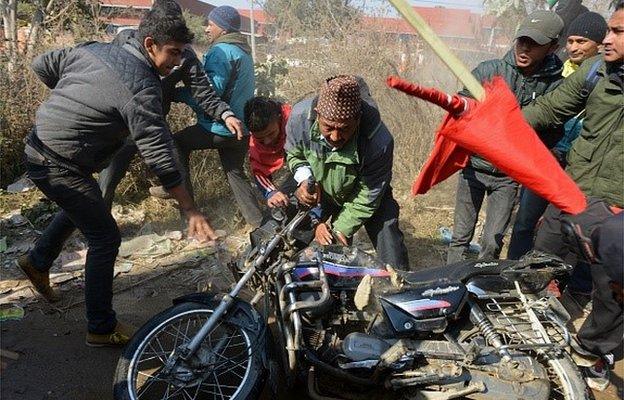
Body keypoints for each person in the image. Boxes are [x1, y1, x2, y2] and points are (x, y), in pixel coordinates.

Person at [17, 9, 217, 347]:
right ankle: (100, 327)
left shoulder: (93, 49)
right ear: (151, 44)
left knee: (86, 206)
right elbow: (158, 150)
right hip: (56, 163)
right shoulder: (142, 87)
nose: (178, 61)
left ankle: (37, 262)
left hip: (46, 151)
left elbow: (43, 64)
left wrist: (75, 96)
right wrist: (190, 209)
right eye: (173, 52)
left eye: (183, 53)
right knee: (105, 236)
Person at [98, 0, 243, 207]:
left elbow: (203, 92)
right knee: (109, 177)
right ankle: (98, 227)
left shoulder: (185, 55)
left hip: (154, 123)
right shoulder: (126, 40)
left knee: (174, 168)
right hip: (121, 123)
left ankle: (190, 220)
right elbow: (104, 73)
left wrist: (225, 113)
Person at [447, 10, 565, 264]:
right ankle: (451, 285)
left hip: (508, 178)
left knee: (492, 242)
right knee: (460, 237)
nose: (524, 48)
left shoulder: (555, 85)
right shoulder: (489, 71)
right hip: (473, 169)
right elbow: (460, 107)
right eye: (522, 40)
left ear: (553, 46)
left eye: (534, 44)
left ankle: (480, 286)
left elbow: (554, 128)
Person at [524, 1, 623, 297]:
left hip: (616, 205)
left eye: (618, 32)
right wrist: (499, 121)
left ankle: (592, 343)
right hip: (573, 190)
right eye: (608, 31)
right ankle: (531, 321)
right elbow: (550, 108)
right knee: (539, 265)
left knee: (609, 288)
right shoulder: (596, 70)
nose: (606, 40)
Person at [508, 11, 607, 260]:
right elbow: (546, 110)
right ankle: (513, 269)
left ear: (599, 43)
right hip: (546, 160)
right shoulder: (555, 70)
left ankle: (561, 283)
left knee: (572, 231)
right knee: (525, 222)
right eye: (571, 41)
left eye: (581, 42)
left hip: (578, 167)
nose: (574, 47)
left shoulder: (603, 75)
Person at [151, 5, 262, 227]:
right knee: (235, 173)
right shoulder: (242, 50)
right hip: (241, 127)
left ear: (222, 27)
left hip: (220, 126)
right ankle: (258, 222)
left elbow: (210, 93)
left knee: (178, 144)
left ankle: (187, 212)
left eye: (211, 24)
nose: (207, 29)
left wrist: (175, 94)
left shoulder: (221, 51)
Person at [285, 75, 409, 269]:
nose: (335, 136)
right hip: (320, 188)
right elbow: (295, 153)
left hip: (364, 194)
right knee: (286, 230)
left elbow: (368, 195)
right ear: (317, 115)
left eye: (344, 129)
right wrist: (304, 179)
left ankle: (399, 287)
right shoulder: (300, 119)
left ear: (357, 120)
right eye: (328, 127)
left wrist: (340, 229)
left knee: (388, 237)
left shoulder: (378, 141)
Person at [244, 97, 294, 208]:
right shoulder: (255, 143)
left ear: (279, 119)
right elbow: (259, 172)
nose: (267, 142)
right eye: (261, 138)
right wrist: (271, 193)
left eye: (271, 134)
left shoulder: (294, 120)